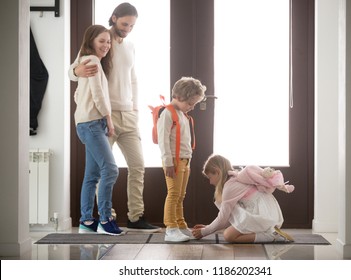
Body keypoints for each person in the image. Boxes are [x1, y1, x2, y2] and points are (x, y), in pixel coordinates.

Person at [69, 3, 160, 232]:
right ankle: (105, 217)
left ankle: (135, 216)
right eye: (124, 24)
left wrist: (135, 109)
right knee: (103, 169)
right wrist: (76, 72)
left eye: (132, 25)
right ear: (114, 18)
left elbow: (133, 79)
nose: (128, 29)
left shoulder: (130, 46)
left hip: (128, 115)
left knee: (137, 165)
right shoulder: (100, 40)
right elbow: (73, 70)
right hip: (101, 117)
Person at [74, 25, 122, 235]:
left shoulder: (89, 60)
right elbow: (98, 94)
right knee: (111, 169)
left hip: (87, 123)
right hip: (93, 123)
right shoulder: (92, 60)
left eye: (108, 42)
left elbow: (79, 93)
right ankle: (104, 219)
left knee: (92, 175)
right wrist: (109, 119)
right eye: (101, 41)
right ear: (91, 40)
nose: (106, 45)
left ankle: (86, 222)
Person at [192, 154, 295, 243]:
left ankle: (271, 236)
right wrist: (208, 227)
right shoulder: (234, 179)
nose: (210, 182)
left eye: (210, 177)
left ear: (217, 172)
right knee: (229, 231)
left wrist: (204, 232)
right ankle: (269, 232)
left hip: (262, 214)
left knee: (229, 236)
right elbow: (232, 216)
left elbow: (223, 219)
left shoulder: (229, 187)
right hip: (267, 211)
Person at [158, 77, 206, 242]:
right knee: (173, 194)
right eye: (190, 104)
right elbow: (163, 140)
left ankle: (180, 224)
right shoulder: (167, 113)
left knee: (180, 195)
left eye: (194, 104)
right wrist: (168, 162)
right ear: (178, 97)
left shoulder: (182, 114)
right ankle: (170, 228)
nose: (192, 107)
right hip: (173, 161)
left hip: (185, 160)